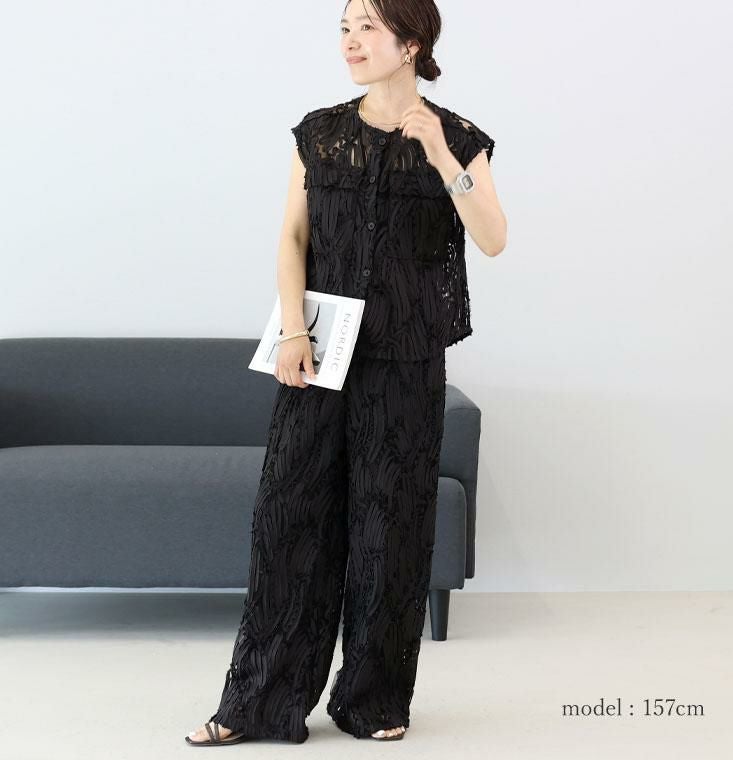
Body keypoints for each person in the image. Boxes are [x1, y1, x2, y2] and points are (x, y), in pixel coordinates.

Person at [185, 0, 507, 746]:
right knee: (288, 519)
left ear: (411, 43)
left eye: (367, 27)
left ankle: (373, 701)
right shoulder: (321, 134)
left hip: (406, 360)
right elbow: (292, 238)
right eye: (345, 27)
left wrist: (443, 159)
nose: (351, 41)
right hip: (320, 355)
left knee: (391, 529)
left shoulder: (458, 137)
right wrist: (293, 330)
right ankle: (256, 704)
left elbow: (493, 238)